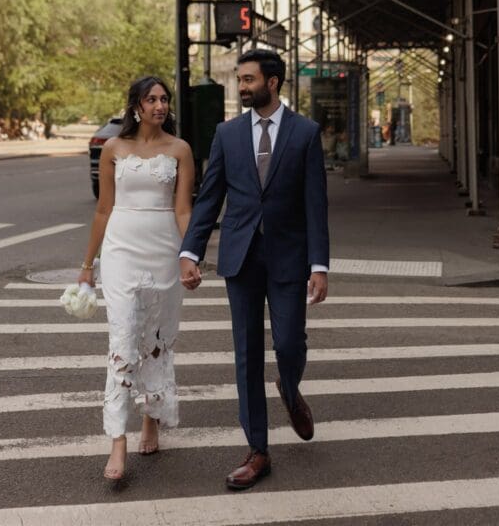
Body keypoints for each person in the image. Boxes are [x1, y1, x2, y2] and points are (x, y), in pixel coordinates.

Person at [180, 49, 329, 491]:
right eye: (239, 80)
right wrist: (191, 251)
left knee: (288, 343)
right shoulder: (227, 134)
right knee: (246, 353)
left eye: (248, 79)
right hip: (241, 257)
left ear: (274, 81)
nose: (242, 86)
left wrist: (319, 265)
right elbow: (209, 199)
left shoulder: (305, 133)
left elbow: (315, 205)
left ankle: (289, 384)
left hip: (289, 256)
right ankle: (258, 450)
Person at [78, 76, 195, 482]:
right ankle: (117, 441)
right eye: (152, 99)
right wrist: (87, 267)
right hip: (121, 250)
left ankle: (151, 417)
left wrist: (189, 256)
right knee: (123, 339)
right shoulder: (114, 148)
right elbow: (102, 211)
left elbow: (183, 211)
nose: (160, 106)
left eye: (165, 99)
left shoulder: (180, 150)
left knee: (156, 341)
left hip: (163, 249)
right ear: (136, 106)